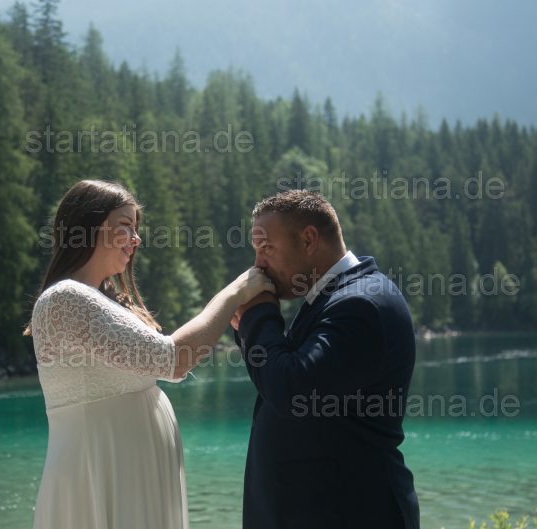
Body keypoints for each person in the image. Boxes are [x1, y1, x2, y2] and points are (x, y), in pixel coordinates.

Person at [23, 179, 274, 529]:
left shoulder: (98, 299)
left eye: (136, 228)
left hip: (126, 471)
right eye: (125, 226)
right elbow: (173, 360)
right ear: (88, 227)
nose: (136, 239)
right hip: (102, 470)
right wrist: (235, 293)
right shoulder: (67, 299)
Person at [231, 190, 420, 529]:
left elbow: (292, 390)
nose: (258, 264)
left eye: (266, 248)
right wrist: (250, 324)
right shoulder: (333, 298)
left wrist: (257, 316)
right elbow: (280, 375)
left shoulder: (361, 304)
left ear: (309, 239)